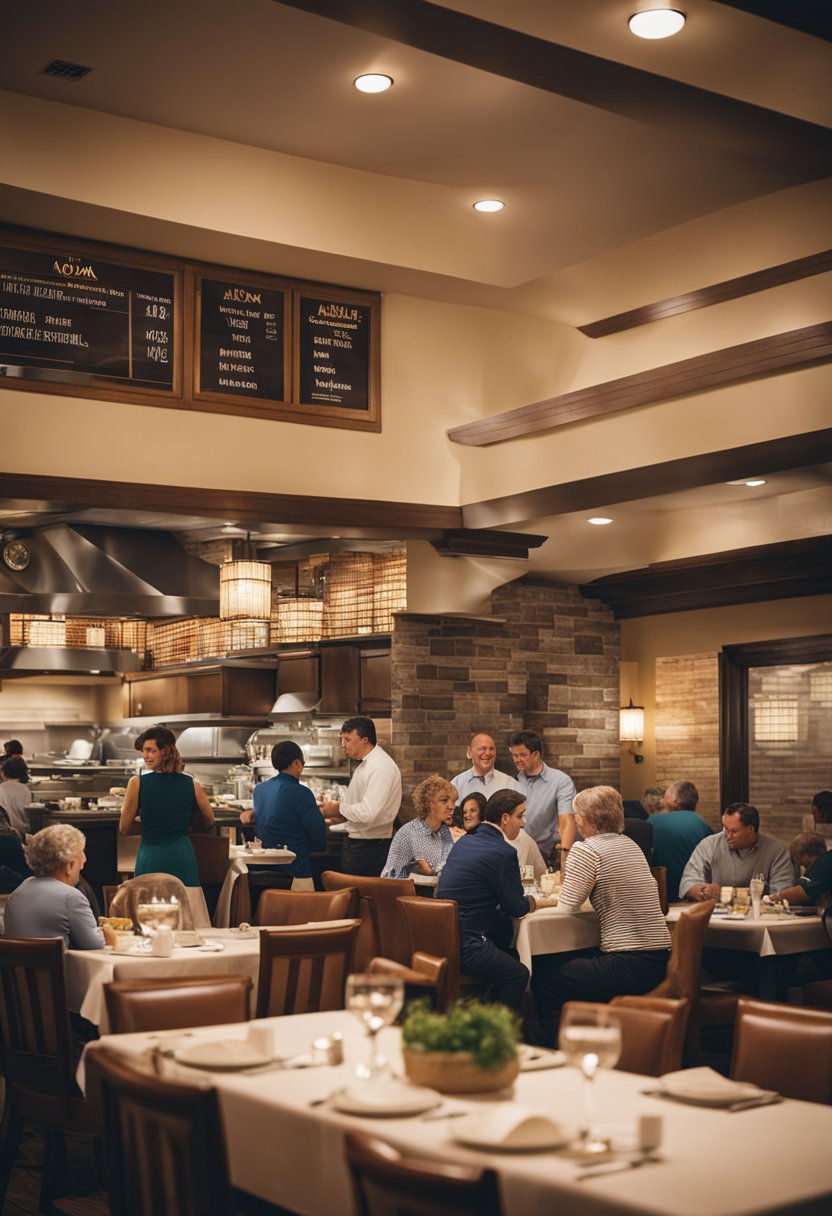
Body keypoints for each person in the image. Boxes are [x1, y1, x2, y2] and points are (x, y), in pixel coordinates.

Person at [531, 786, 671, 1041]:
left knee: (544, 973)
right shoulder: (631, 845)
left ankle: (553, 1044)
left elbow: (568, 905)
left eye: (576, 814)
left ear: (584, 818)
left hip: (628, 964)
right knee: (577, 962)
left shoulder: (587, 850)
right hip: (660, 960)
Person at [437, 789, 552, 1010]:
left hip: (442, 938)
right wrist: (542, 902)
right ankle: (501, 1034)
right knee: (518, 974)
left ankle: (483, 1015)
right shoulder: (503, 852)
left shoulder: (463, 843)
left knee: (506, 950)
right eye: (520, 816)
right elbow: (516, 907)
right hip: (467, 946)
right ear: (505, 818)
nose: (523, 822)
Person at [119, 725, 214, 886]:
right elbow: (210, 821)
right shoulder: (192, 783)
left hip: (152, 854)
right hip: (182, 854)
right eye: (143, 750)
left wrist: (149, 825)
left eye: (151, 750)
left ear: (165, 751)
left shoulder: (137, 783)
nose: (145, 755)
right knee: (186, 904)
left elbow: (125, 827)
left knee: (149, 905)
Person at [4, 824, 116, 949]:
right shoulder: (71, 897)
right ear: (69, 866)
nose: (85, 859)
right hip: (60, 968)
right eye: (82, 854)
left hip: (19, 966)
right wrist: (107, 930)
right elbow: (95, 945)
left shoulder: (19, 891)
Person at [319, 716, 402, 877]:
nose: (343, 745)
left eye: (348, 739)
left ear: (365, 739)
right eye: (341, 739)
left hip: (370, 849)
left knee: (363, 897)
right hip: (360, 845)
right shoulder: (365, 765)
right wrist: (342, 820)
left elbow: (368, 812)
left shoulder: (381, 766)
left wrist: (337, 809)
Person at [239, 740, 327, 888]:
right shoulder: (302, 792)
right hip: (295, 872)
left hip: (263, 871)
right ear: (298, 763)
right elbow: (318, 833)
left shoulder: (260, 789)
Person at [680, 802, 795, 901]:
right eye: (725, 828)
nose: (727, 836)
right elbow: (689, 880)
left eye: (734, 831)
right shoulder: (709, 844)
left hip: (759, 921)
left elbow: (781, 895)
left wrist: (727, 894)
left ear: (750, 829)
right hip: (715, 918)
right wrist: (699, 890)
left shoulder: (777, 853)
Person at [509, 730, 576, 862]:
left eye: (522, 755)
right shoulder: (511, 782)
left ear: (536, 754)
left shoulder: (560, 781)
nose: (518, 760)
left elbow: (566, 821)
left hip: (547, 855)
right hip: (516, 854)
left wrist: (565, 857)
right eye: (515, 755)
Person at [382, 774, 456, 879]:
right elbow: (429, 870)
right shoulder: (412, 832)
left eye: (453, 801)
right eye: (444, 800)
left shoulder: (444, 831)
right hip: (401, 890)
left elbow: (448, 864)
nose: (451, 806)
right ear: (428, 803)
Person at [649, 779, 712, 900]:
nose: (662, 799)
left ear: (675, 800)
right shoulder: (703, 825)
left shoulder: (653, 822)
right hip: (695, 895)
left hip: (661, 896)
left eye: (666, 794)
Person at [450, 732, 518, 804]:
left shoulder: (510, 784)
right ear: (469, 753)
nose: (488, 753)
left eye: (491, 749)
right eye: (482, 748)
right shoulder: (457, 784)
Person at [773, 833, 832, 908]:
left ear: (806, 856)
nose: (808, 870)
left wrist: (772, 897)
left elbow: (801, 893)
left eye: (805, 865)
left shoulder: (825, 862)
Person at [0, 757, 33, 837]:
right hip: (24, 832)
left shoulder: (1, 788)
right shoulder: (25, 789)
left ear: (4, 773)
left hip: (5, 833)